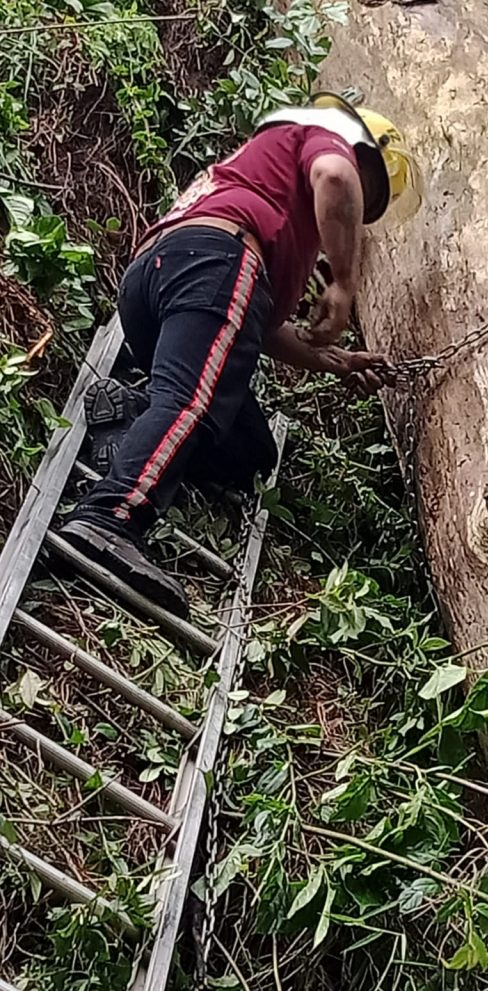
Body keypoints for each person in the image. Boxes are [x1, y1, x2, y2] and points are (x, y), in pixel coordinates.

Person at [59, 92, 423, 619]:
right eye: (368, 199)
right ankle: (109, 517)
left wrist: (340, 362)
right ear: (364, 155)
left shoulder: (267, 187)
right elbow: (336, 177)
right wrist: (344, 283)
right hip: (215, 264)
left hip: (159, 274)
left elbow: (261, 328)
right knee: (189, 403)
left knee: (248, 448)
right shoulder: (325, 139)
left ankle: (131, 420)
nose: (355, 214)